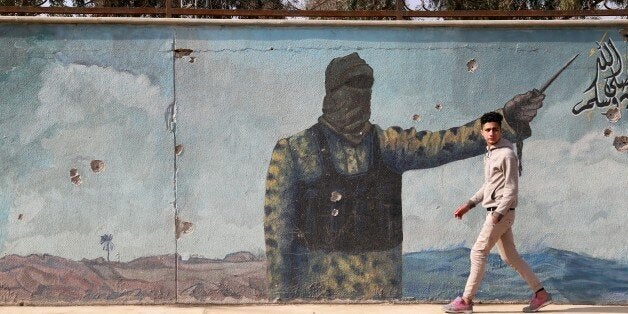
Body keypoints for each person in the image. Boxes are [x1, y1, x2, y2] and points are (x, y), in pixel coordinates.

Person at [264, 53, 545, 300]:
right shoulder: (295, 150)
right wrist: (281, 298)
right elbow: (278, 234)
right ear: (332, 93)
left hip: (383, 292)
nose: (360, 96)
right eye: (352, 87)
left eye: (366, 88)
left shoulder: (388, 144)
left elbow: (446, 143)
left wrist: (506, 120)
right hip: (317, 295)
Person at [443, 112, 552, 313]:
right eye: (488, 130)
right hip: (497, 212)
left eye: (495, 129)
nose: (492, 133)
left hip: (501, 213)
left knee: (477, 253)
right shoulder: (491, 153)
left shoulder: (507, 155)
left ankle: (466, 301)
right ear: (482, 132)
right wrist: (469, 204)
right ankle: (541, 293)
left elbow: (511, 188)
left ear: (501, 131)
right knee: (510, 257)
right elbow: (489, 185)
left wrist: (497, 214)